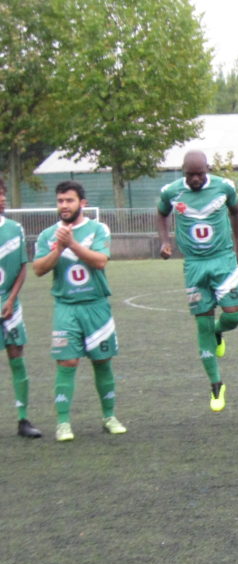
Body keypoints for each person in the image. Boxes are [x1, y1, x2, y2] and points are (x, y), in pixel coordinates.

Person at [31, 181, 126, 442]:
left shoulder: (98, 229)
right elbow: (38, 269)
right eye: (60, 201)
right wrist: (59, 248)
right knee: (67, 361)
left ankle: (109, 417)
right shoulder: (47, 235)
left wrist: (71, 244)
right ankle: (63, 423)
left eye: (69, 200)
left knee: (102, 360)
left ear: (82, 203)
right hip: (66, 307)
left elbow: (100, 261)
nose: (64, 205)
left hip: (96, 305)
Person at [156, 150, 238, 412]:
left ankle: (219, 331)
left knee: (233, 316)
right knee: (202, 324)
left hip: (222, 259)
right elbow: (161, 214)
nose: (195, 179)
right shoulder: (171, 192)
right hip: (194, 264)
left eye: (200, 173)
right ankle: (216, 385)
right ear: (183, 171)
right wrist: (165, 241)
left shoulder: (224, 187)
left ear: (207, 169)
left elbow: (236, 215)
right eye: (190, 174)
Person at [0, 176, 41, 437]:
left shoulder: (15, 228)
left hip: (9, 304)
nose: (2, 197)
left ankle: (23, 419)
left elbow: (23, 267)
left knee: (17, 355)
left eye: (3, 192)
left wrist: (11, 299)